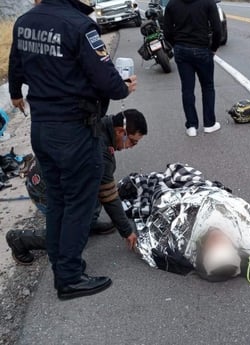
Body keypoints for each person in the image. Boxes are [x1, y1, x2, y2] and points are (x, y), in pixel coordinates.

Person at [8, 0, 138, 300]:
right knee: (79, 204)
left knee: (58, 203)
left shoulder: (25, 22)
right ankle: (69, 277)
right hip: (75, 130)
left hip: (42, 129)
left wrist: (16, 93)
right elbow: (109, 83)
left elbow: (16, 67)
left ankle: (60, 265)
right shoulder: (79, 26)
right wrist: (125, 87)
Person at [6, 109, 148, 266]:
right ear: (121, 131)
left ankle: (88, 223)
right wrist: (127, 231)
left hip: (51, 176)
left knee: (93, 185)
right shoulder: (98, 149)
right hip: (43, 190)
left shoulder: (102, 124)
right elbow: (109, 195)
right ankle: (19, 240)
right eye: (133, 142)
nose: (132, 146)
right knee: (69, 241)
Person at [118, 163, 250, 282]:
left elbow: (158, 237)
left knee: (156, 190)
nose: (217, 236)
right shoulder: (246, 241)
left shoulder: (189, 249)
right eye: (220, 241)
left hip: (181, 201)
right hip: (204, 191)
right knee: (184, 172)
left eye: (214, 243)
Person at [163, 0, 222, 137]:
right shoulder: (208, 2)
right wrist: (213, 48)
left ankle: (191, 126)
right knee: (207, 87)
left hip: (181, 50)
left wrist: (176, 45)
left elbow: (167, 31)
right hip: (202, 48)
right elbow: (217, 29)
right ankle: (209, 124)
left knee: (187, 89)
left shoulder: (172, 4)